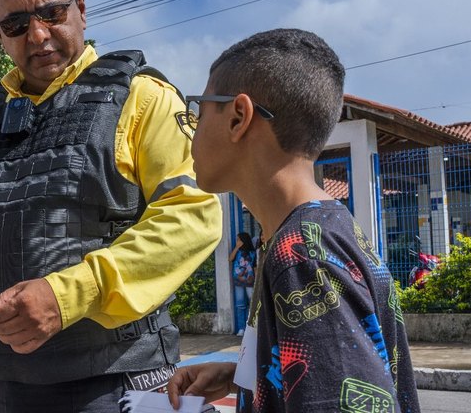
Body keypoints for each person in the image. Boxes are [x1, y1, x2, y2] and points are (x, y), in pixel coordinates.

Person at [0, 0, 222, 413]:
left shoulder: (143, 99)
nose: (37, 35)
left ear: (81, 8)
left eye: (51, 13)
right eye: (16, 25)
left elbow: (192, 217)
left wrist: (69, 294)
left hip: (116, 380)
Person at [168, 29, 420, 412]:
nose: (192, 132)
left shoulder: (301, 254)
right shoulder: (311, 231)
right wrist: (244, 377)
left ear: (238, 118)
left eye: (199, 114)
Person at [228, 231, 256, 336]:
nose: (237, 241)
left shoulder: (252, 252)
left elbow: (254, 266)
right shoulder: (237, 251)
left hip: (250, 281)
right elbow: (230, 259)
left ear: (244, 240)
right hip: (238, 282)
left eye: (239, 239)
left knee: (251, 304)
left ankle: (250, 327)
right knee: (240, 304)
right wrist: (236, 247)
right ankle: (241, 328)